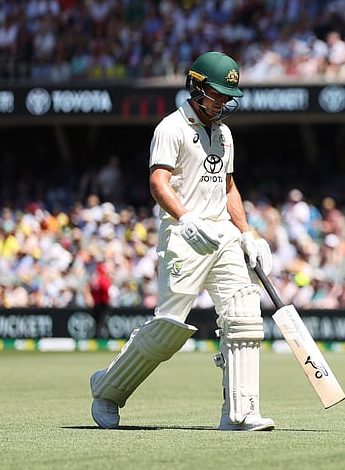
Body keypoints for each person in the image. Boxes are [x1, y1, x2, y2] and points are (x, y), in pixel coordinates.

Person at [89, 51, 275, 431]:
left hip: (222, 233)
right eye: (217, 94)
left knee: (243, 317)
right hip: (184, 234)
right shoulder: (170, 127)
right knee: (170, 328)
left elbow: (228, 187)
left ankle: (240, 413)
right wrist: (185, 218)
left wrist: (247, 233)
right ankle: (107, 389)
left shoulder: (223, 133)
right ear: (196, 86)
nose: (223, 102)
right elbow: (158, 182)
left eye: (228, 96)